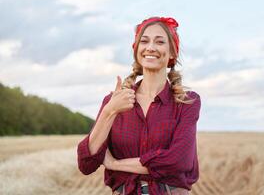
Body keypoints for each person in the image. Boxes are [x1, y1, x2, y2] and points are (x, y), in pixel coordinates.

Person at [77, 16, 201, 195]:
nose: (150, 47)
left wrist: (115, 164)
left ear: (172, 53)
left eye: (159, 42)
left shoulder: (187, 102)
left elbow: (178, 161)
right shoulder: (113, 102)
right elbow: (86, 163)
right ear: (136, 50)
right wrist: (109, 111)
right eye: (144, 41)